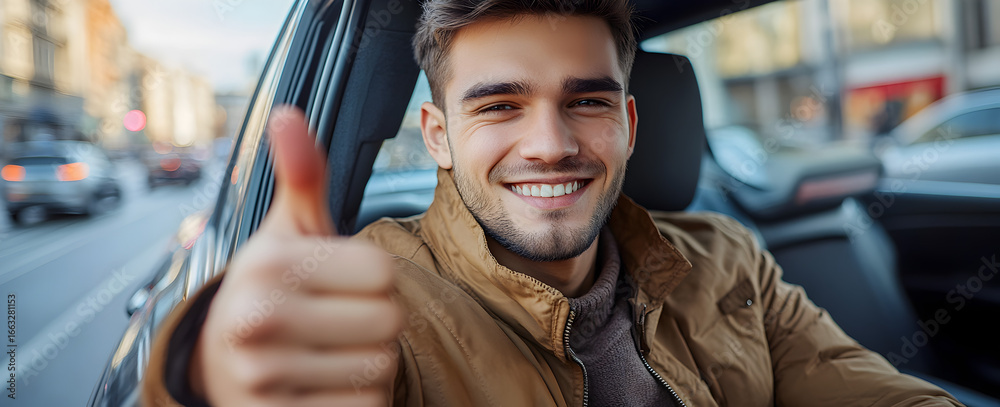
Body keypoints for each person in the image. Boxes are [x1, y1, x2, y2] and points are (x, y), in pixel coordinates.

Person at [143, 1, 962, 406]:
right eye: (499, 105)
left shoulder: (726, 256)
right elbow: (276, 361)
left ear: (629, 122)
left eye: (589, 102)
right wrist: (205, 372)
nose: (550, 144)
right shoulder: (365, 301)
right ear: (436, 135)